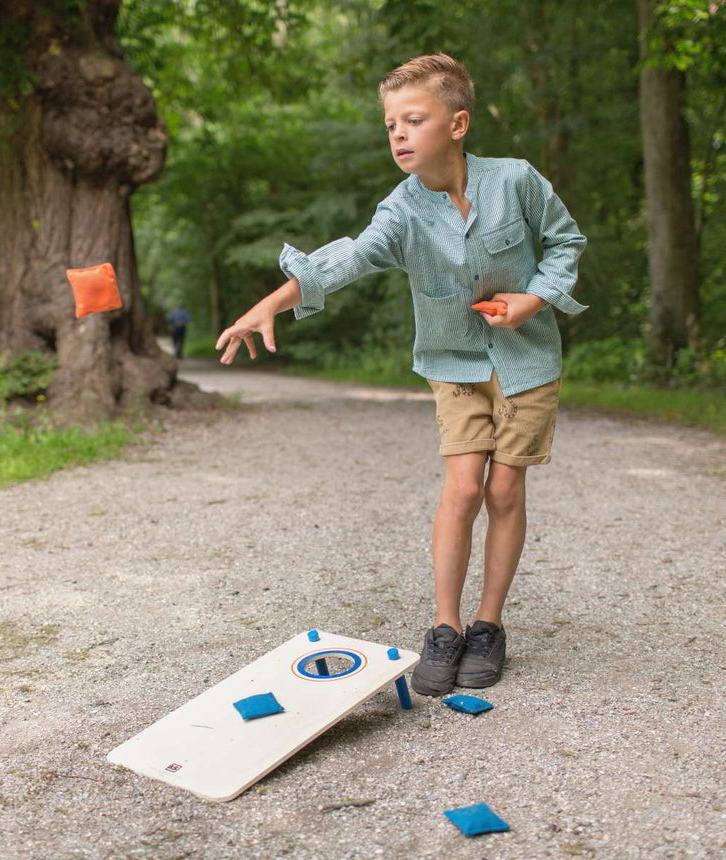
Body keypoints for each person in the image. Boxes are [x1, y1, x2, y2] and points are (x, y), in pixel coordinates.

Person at [214, 53, 587, 696]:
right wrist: (271, 302)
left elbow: (565, 243)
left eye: (414, 119)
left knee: (504, 492)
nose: (399, 135)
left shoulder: (517, 181)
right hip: (453, 363)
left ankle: (488, 625)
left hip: (527, 357)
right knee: (464, 488)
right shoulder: (402, 210)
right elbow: (348, 258)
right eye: (391, 124)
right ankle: (444, 627)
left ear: (459, 122)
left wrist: (535, 297)